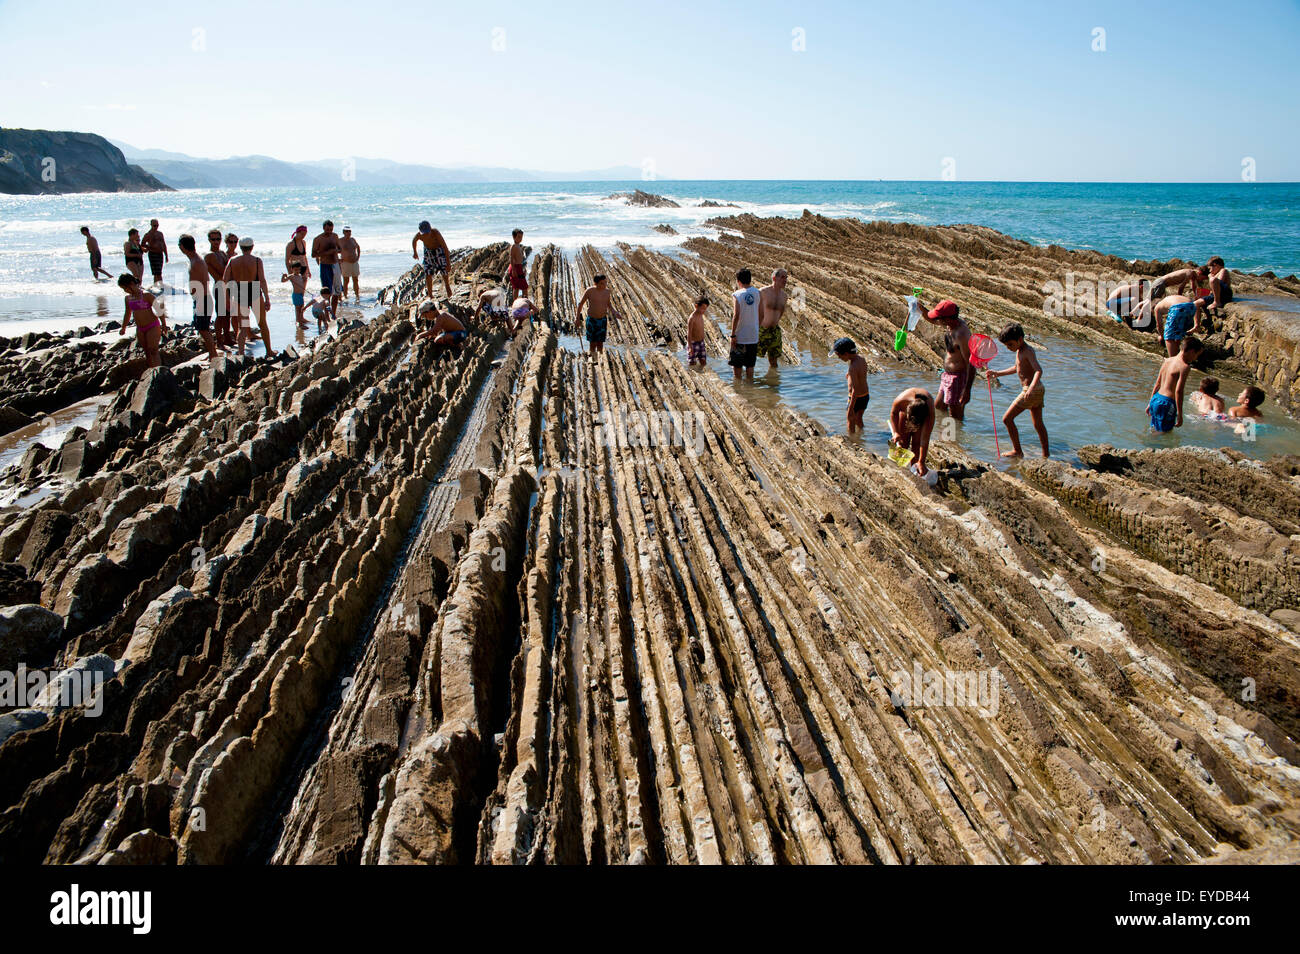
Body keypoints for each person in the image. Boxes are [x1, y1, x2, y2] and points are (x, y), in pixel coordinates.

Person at [989, 323, 1048, 458]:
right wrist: (997, 373)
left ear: (1020, 339)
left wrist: (1030, 388)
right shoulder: (1019, 351)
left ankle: (1017, 451)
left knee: (1007, 419)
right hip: (1037, 389)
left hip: (1031, 389)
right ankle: (1046, 454)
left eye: (1010, 344)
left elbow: (1039, 370)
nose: (1008, 348)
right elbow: (1017, 368)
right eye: (1006, 346)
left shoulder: (1027, 351)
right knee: (1038, 424)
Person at [922, 299, 972, 420]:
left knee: (954, 415)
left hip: (957, 378)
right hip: (947, 375)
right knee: (938, 407)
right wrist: (918, 307)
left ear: (947, 319)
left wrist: (967, 390)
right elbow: (931, 319)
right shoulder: (950, 324)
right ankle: (944, 436)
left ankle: (955, 438)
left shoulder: (962, 334)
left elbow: (971, 363)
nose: (938, 321)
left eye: (940, 319)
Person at [223, 236, 272, 357]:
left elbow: (225, 279)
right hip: (254, 289)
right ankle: (269, 351)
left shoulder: (233, 260)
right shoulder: (256, 260)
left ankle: (241, 352)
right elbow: (262, 280)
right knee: (262, 323)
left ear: (240, 247)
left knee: (243, 326)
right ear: (252, 247)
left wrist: (227, 297)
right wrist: (267, 298)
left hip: (240, 290)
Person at [1147, 336, 1202, 432]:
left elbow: (1157, 383)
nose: (1196, 358)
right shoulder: (1184, 367)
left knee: (1155, 429)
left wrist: (1150, 402)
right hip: (1167, 403)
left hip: (1156, 398)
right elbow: (1179, 391)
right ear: (1192, 351)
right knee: (1165, 433)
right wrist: (1180, 414)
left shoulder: (1167, 360)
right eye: (1197, 355)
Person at [178, 234, 218, 361]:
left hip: (203, 299)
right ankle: (212, 353)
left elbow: (204, 281)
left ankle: (213, 355)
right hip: (200, 299)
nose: (179, 247)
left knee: (203, 329)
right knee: (202, 328)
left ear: (183, 246)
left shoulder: (197, 261)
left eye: (180, 245)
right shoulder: (194, 259)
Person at [117, 274, 167, 371]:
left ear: (131, 284)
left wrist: (164, 324)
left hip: (152, 326)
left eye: (125, 288)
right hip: (140, 328)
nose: (124, 291)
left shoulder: (146, 295)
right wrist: (123, 327)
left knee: (153, 350)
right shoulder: (128, 298)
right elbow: (127, 313)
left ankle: (158, 371)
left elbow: (159, 309)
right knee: (147, 352)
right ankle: (151, 371)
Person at [889, 388, 936, 478]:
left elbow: (924, 440)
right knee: (903, 444)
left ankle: (915, 470)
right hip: (904, 412)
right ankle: (897, 472)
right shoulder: (901, 400)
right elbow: (893, 413)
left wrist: (921, 462)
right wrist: (896, 432)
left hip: (921, 413)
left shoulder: (929, 412)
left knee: (916, 445)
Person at [729, 268, 761, 381]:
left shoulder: (737, 294)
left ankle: (738, 392)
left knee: (737, 368)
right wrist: (758, 328)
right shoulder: (757, 293)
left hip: (740, 336)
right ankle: (750, 391)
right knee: (750, 366)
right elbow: (761, 312)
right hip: (753, 335)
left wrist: (733, 335)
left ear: (738, 281)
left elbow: (736, 315)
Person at [832, 337, 870, 434]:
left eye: (839, 356)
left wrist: (851, 408)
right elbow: (861, 374)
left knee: (850, 419)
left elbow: (855, 390)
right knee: (858, 419)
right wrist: (849, 375)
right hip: (865, 395)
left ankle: (851, 440)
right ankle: (861, 435)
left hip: (855, 397)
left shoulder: (853, 367)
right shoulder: (861, 359)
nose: (839, 358)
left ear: (846, 354)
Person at [576, 274, 618, 355]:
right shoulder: (589, 291)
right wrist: (577, 318)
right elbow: (580, 304)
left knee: (600, 343)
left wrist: (614, 312)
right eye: (602, 283)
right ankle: (593, 359)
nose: (605, 285)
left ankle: (601, 359)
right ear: (596, 283)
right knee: (593, 343)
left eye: (605, 283)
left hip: (602, 320)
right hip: (592, 320)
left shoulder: (607, 292)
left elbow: (608, 304)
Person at [205, 229, 234, 349]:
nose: (216, 242)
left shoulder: (222, 253)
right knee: (220, 314)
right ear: (209, 240)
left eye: (218, 239)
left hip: (227, 285)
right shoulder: (210, 255)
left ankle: (227, 337)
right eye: (213, 239)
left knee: (227, 314)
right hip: (219, 286)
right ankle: (219, 340)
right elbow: (224, 272)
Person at [757, 268, 789, 372]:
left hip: (775, 331)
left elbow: (781, 313)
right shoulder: (763, 292)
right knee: (750, 357)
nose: (785, 280)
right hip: (761, 329)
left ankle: (773, 381)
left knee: (774, 361)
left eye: (786, 278)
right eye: (782, 277)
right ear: (774, 278)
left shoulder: (784, 296)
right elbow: (755, 310)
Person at [412, 220, 452, 300]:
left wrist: (448, 263)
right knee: (428, 273)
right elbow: (414, 241)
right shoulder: (419, 235)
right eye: (424, 233)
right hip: (428, 252)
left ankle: (447, 286)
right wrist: (415, 252)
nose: (426, 235)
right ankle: (430, 295)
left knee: (444, 271)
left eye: (427, 233)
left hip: (439, 250)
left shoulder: (435, 233)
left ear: (430, 229)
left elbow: (445, 247)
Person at [312, 220, 343, 315]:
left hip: (335, 264)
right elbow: (313, 254)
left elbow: (340, 249)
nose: (329, 231)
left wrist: (336, 250)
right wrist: (327, 252)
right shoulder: (318, 239)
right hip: (325, 265)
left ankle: (333, 313)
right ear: (323, 228)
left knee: (337, 291)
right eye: (327, 229)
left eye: (331, 229)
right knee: (327, 292)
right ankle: (326, 314)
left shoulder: (335, 236)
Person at [141, 219, 168, 287]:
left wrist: (166, 255)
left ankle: (159, 286)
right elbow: (142, 244)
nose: (156, 227)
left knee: (159, 272)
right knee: (156, 273)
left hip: (160, 254)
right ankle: (158, 287)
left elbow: (164, 244)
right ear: (151, 225)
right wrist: (150, 247)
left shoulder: (160, 233)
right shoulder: (148, 234)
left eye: (157, 225)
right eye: (154, 226)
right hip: (153, 254)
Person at [339, 226, 361, 303]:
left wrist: (358, 257)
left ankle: (357, 295)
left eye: (349, 231)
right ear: (343, 232)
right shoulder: (340, 240)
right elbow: (335, 250)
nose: (348, 233)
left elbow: (358, 247)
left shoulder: (352, 239)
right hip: (345, 263)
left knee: (355, 279)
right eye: (347, 231)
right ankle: (345, 295)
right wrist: (339, 259)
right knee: (346, 280)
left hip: (354, 262)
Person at [686, 294, 709, 367]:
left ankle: (703, 373)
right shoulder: (692, 318)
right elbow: (689, 333)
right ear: (696, 306)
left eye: (705, 309)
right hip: (693, 343)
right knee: (692, 363)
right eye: (702, 308)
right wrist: (690, 347)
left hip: (701, 342)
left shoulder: (701, 315)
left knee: (703, 361)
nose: (704, 311)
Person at [507, 229, 528, 300]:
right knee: (517, 287)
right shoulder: (513, 246)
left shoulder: (518, 245)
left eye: (521, 237)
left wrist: (523, 269)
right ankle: (516, 303)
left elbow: (520, 259)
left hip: (519, 267)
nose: (520, 239)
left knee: (522, 287)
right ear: (514, 237)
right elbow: (511, 258)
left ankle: (524, 302)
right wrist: (513, 270)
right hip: (515, 267)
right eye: (518, 237)